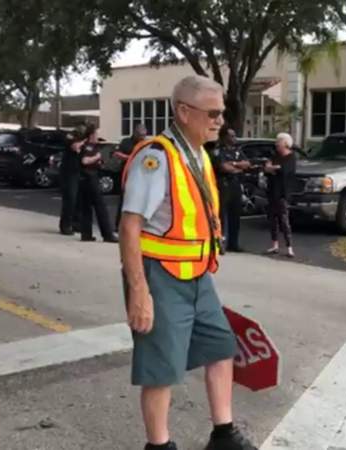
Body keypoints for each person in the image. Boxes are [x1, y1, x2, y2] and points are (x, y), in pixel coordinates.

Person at [118, 75, 256, 450]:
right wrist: (139, 292)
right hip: (160, 277)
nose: (220, 121)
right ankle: (159, 445)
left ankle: (223, 435)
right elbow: (129, 226)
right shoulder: (156, 157)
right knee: (161, 369)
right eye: (212, 113)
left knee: (221, 346)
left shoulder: (197, 153)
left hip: (197, 274)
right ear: (182, 111)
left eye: (222, 113)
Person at [79, 125, 118, 243]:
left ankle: (86, 234)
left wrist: (99, 162)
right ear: (91, 135)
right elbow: (84, 161)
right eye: (96, 134)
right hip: (89, 178)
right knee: (100, 206)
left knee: (86, 207)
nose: (98, 136)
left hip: (87, 178)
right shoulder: (88, 147)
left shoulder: (92, 146)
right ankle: (107, 234)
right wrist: (97, 157)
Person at [216, 127, 251, 253]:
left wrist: (235, 165)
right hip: (224, 186)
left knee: (235, 215)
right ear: (225, 137)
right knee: (222, 217)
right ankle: (221, 244)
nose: (234, 138)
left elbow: (247, 164)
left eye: (234, 136)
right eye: (231, 136)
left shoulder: (238, 151)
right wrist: (238, 166)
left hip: (236, 185)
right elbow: (224, 167)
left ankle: (234, 243)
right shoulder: (219, 151)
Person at [264, 133, 297, 258]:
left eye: (279, 141)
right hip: (272, 191)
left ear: (285, 143)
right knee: (272, 219)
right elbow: (266, 169)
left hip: (283, 192)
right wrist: (272, 168)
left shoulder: (291, 157)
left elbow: (284, 170)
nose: (276, 143)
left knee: (284, 219)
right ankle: (275, 245)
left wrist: (273, 168)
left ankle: (289, 247)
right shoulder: (274, 156)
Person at [114, 123, 148, 230]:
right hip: (127, 173)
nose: (142, 137)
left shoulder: (146, 144)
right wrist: (131, 157)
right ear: (135, 133)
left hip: (141, 175)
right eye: (140, 135)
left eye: (144, 135)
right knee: (124, 200)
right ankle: (119, 225)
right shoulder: (126, 142)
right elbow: (117, 153)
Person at [59, 125, 86, 235]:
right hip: (68, 173)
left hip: (79, 171)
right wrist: (84, 141)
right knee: (70, 199)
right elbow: (74, 147)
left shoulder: (83, 140)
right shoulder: (70, 136)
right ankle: (65, 225)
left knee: (79, 200)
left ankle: (76, 224)